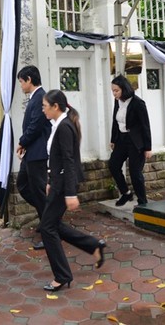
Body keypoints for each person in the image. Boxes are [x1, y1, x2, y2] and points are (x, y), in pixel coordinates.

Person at [40, 89, 105, 291]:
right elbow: (58, 158)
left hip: (64, 186)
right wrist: (51, 179)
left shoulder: (65, 127)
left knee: (47, 228)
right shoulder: (58, 124)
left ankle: (62, 275)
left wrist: (70, 193)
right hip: (58, 182)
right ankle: (93, 245)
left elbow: (69, 161)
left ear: (55, 107)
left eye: (44, 106)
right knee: (53, 225)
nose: (43, 110)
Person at [15, 66, 51, 250]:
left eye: (21, 81)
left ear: (29, 79)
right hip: (31, 152)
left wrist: (22, 142)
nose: (20, 85)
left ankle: (50, 229)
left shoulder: (40, 97)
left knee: (38, 191)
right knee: (22, 185)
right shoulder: (35, 97)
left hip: (37, 153)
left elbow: (36, 125)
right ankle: (47, 219)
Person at [107, 75, 152, 207]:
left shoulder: (138, 103)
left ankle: (142, 202)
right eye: (113, 91)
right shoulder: (117, 102)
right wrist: (113, 139)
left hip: (136, 142)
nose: (114, 93)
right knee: (113, 165)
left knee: (135, 172)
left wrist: (148, 147)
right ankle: (126, 193)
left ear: (124, 89)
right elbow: (115, 121)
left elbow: (145, 125)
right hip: (121, 139)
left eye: (116, 90)